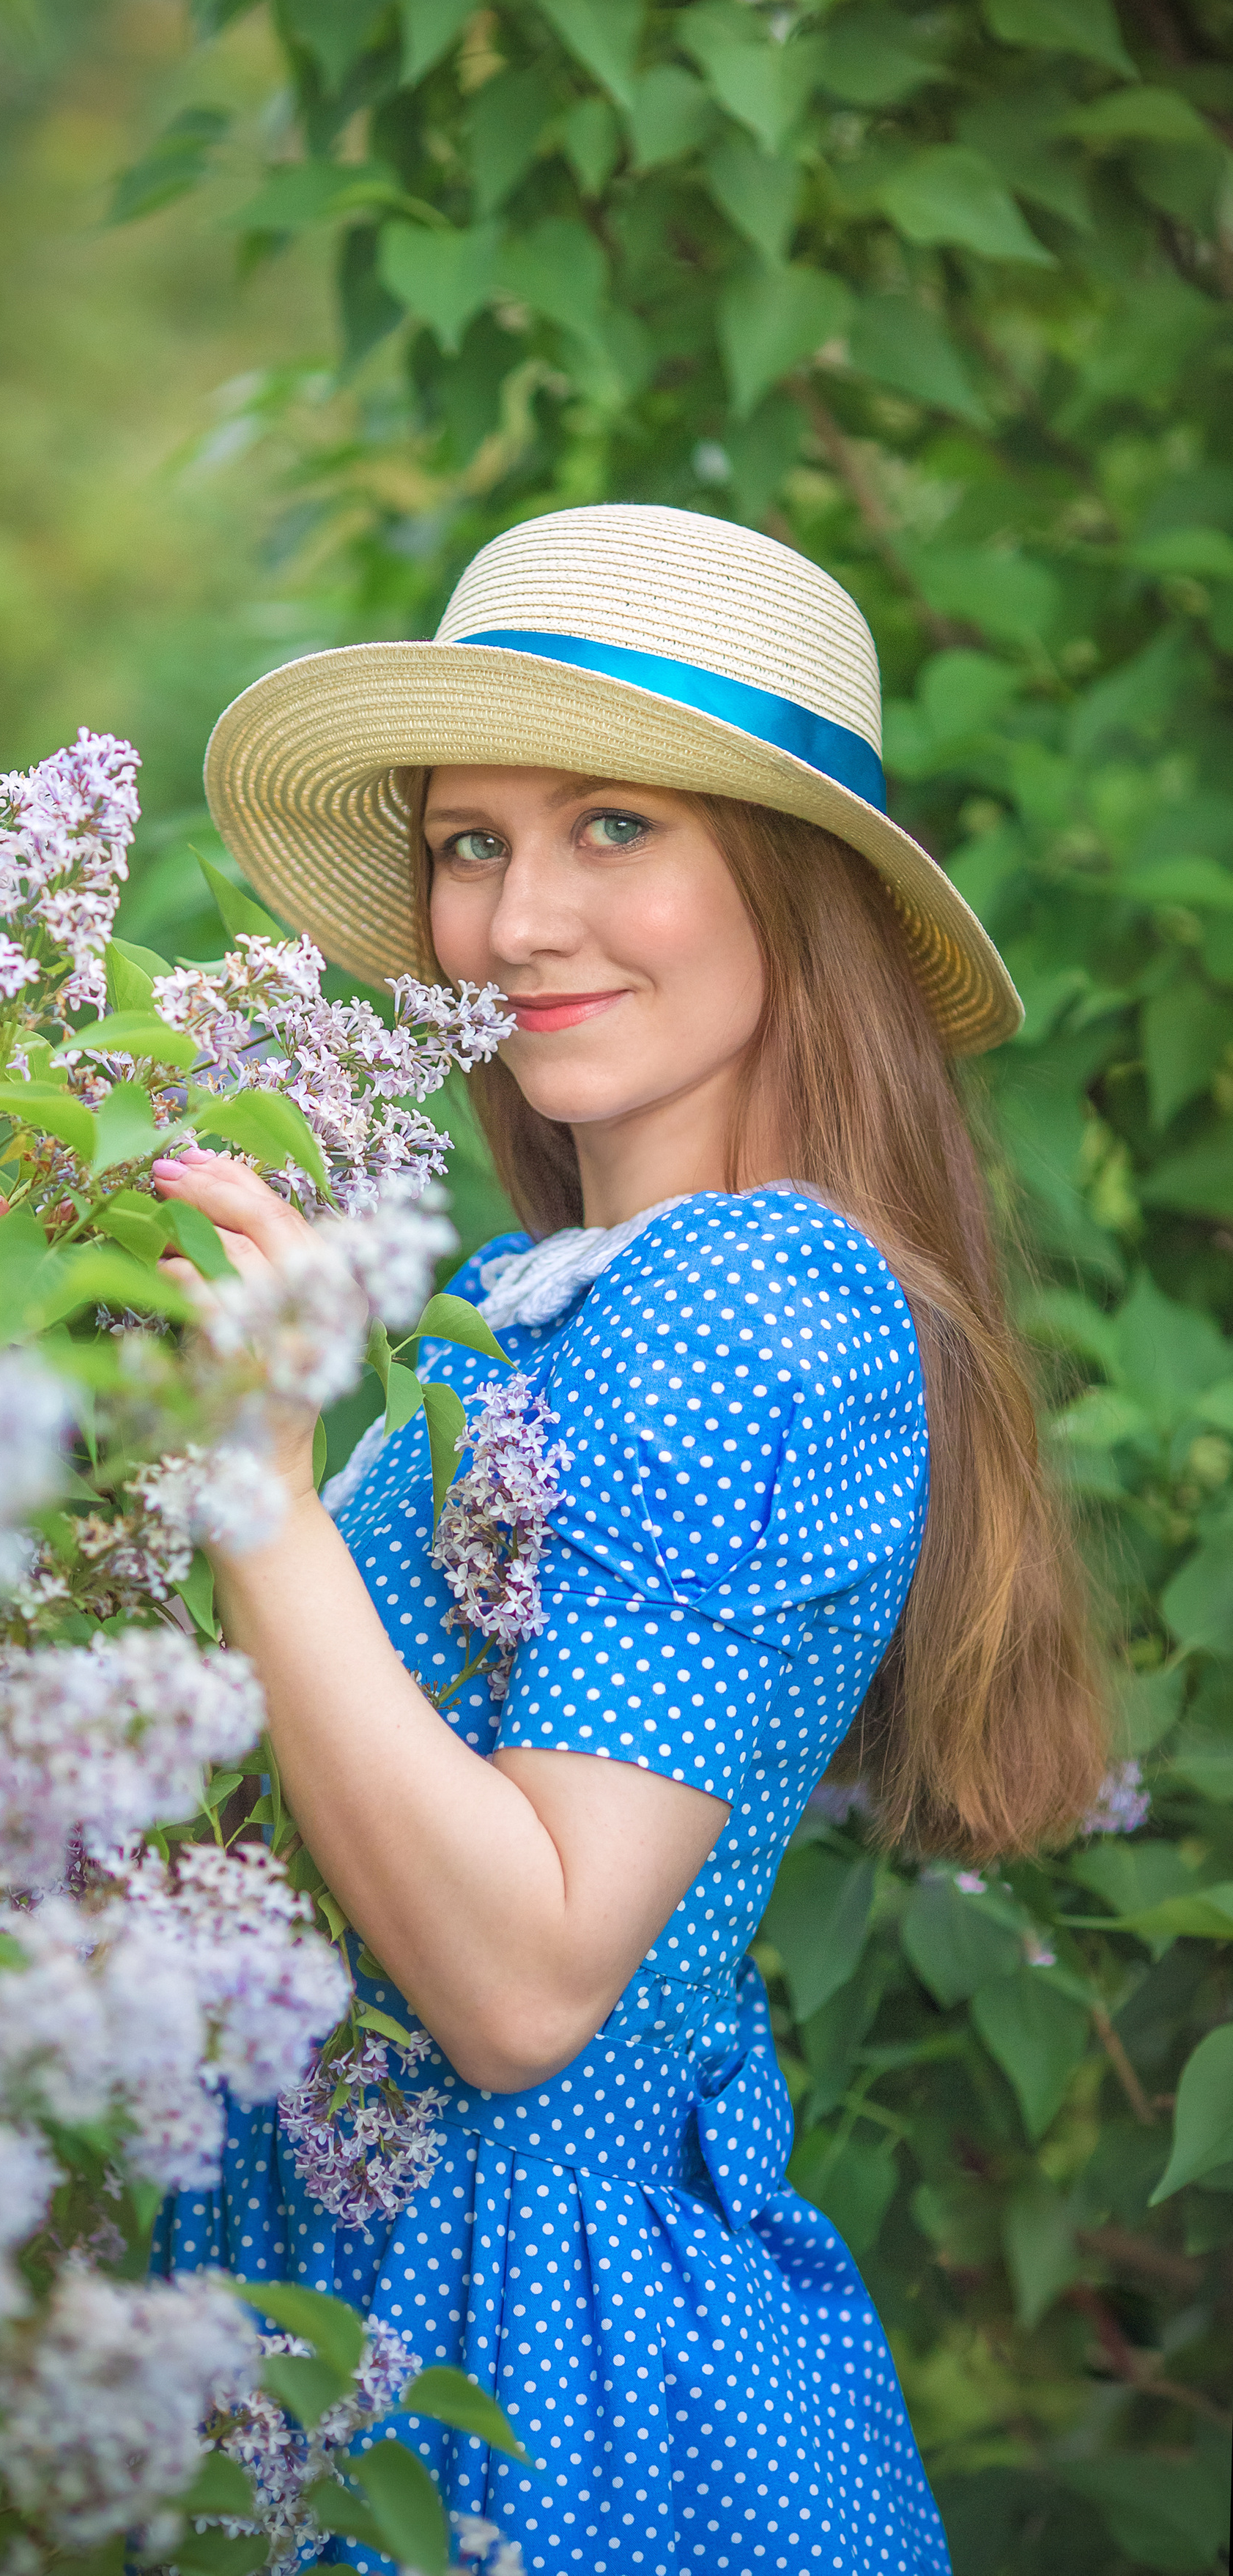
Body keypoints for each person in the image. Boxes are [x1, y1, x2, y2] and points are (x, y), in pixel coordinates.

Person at [150, 505, 1104, 2575]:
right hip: (351, 2293)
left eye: (610, 829)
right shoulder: (535, 1290)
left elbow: (520, 1980)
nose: (514, 922)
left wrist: (259, 1481)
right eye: (474, 843)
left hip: (530, 2380)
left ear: (787, 886)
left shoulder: (758, 1300)